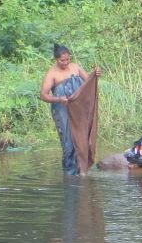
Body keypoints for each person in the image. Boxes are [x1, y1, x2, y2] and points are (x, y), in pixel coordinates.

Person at [39, 44, 101, 175]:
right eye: (62, 60)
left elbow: (88, 81)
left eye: (68, 59)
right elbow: (43, 95)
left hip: (78, 109)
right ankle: (70, 175)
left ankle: (82, 169)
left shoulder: (75, 67)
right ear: (56, 59)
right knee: (68, 141)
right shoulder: (52, 74)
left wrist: (95, 74)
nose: (66, 63)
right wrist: (59, 99)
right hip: (62, 110)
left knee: (82, 137)